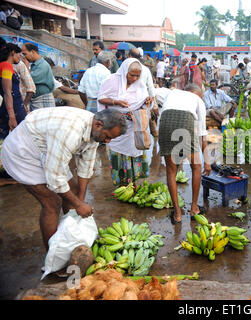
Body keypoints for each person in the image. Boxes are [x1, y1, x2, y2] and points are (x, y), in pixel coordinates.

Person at [0, 107, 126, 250]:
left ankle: (70, 236)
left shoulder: (96, 129)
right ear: (98, 125)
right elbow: (55, 178)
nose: (108, 141)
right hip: (23, 151)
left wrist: (80, 200)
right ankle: (53, 255)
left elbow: (86, 166)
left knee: (74, 192)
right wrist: (78, 205)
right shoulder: (70, 132)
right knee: (52, 203)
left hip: (48, 148)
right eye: (108, 136)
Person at [158, 84, 211, 224]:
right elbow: (202, 133)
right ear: (198, 93)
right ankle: (194, 208)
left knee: (171, 171)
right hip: (185, 121)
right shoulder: (198, 99)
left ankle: (177, 213)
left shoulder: (172, 93)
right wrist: (207, 161)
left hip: (165, 122)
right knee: (196, 167)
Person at [97, 58, 152, 186]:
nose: (134, 78)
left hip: (133, 125)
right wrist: (116, 102)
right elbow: (101, 98)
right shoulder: (111, 81)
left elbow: (142, 103)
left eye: (138, 76)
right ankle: (121, 183)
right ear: (124, 71)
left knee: (134, 149)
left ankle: (132, 182)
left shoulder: (140, 84)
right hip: (115, 125)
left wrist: (146, 102)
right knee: (118, 151)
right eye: (132, 75)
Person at [0, 42, 27, 139]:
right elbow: (7, 92)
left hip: (10, 106)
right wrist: (12, 116)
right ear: (12, 53)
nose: (20, 58)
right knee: (22, 136)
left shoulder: (3, 66)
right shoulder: (6, 66)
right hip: (13, 107)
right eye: (18, 55)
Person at [21, 42, 55, 110]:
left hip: (43, 99)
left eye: (25, 54)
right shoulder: (35, 65)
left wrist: (26, 66)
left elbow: (29, 80)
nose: (24, 57)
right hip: (37, 99)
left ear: (32, 52)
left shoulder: (42, 65)